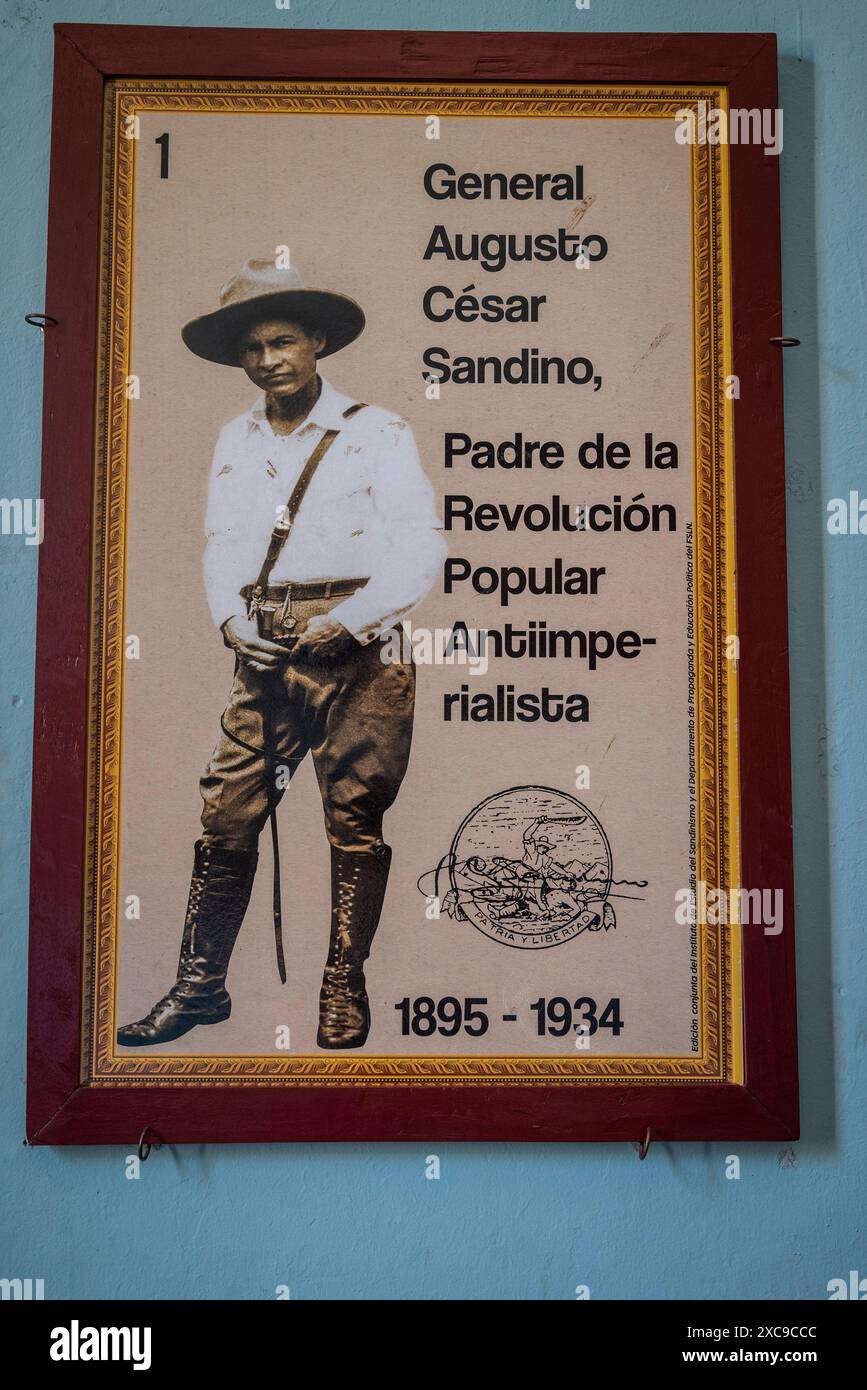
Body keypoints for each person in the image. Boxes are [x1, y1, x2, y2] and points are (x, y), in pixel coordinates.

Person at [117, 258, 445, 1051]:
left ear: (317, 343)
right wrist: (231, 621)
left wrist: (354, 619)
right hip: (266, 645)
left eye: (284, 341)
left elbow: (421, 546)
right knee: (227, 813)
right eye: (253, 347)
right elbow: (223, 545)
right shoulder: (235, 438)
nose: (269, 359)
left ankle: (343, 987)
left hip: (361, 646)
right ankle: (200, 988)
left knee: (353, 818)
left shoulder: (377, 430)